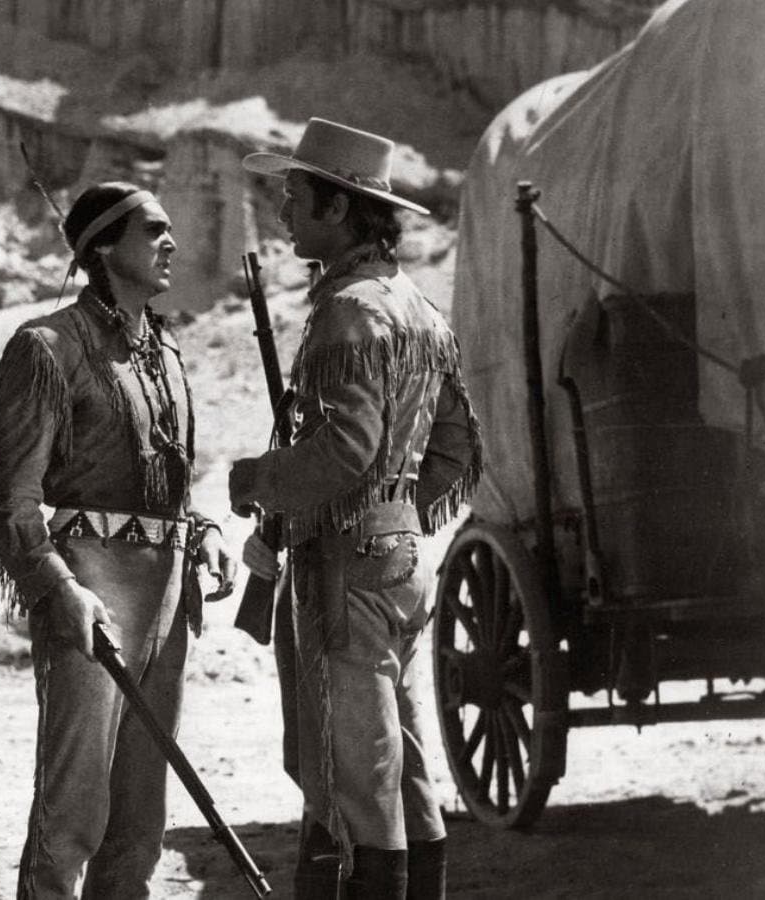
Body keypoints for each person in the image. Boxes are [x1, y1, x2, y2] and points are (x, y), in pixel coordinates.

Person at [230, 119, 481, 900]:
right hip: (400, 564)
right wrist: (397, 515)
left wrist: (257, 481)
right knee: (401, 764)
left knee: (350, 779)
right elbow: (457, 450)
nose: (282, 211)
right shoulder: (419, 310)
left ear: (339, 210)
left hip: (345, 572)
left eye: (295, 196)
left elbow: (344, 451)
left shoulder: (347, 313)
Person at [0, 182, 237, 898]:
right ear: (101, 246)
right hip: (91, 594)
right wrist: (60, 590)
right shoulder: (47, 347)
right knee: (71, 820)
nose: (171, 243)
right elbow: (10, 499)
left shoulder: (168, 354)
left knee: (140, 825)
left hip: (167, 601)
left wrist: (204, 530)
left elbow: (175, 484)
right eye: (152, 229)